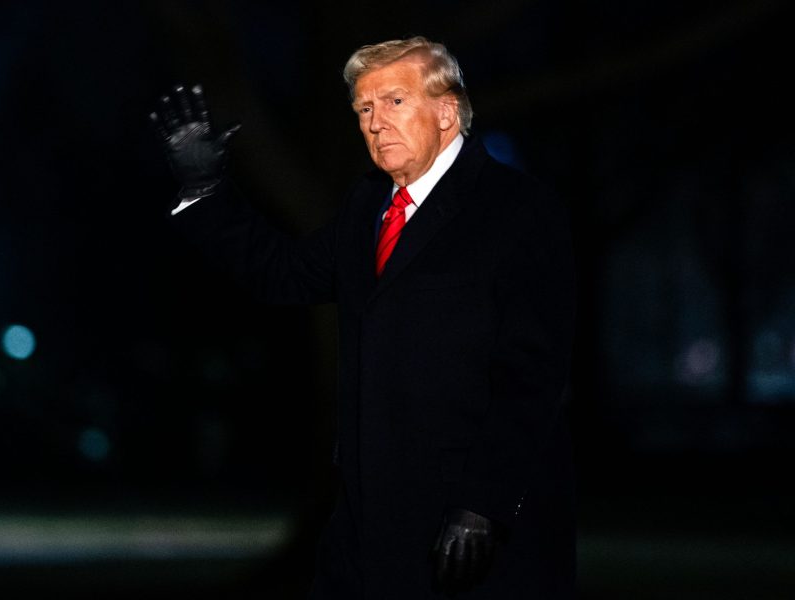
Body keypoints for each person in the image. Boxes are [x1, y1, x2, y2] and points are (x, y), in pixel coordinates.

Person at [151, 36, 576, 599]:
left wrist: (484, 504)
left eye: (394, 101)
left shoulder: (517, 209)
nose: (375, 122)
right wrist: (206, 190)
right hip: (363, 526)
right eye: (364, 108)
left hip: (467, 530)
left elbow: (533, 377)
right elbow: (281, 273)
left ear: (447, 112)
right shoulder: (367, 206)